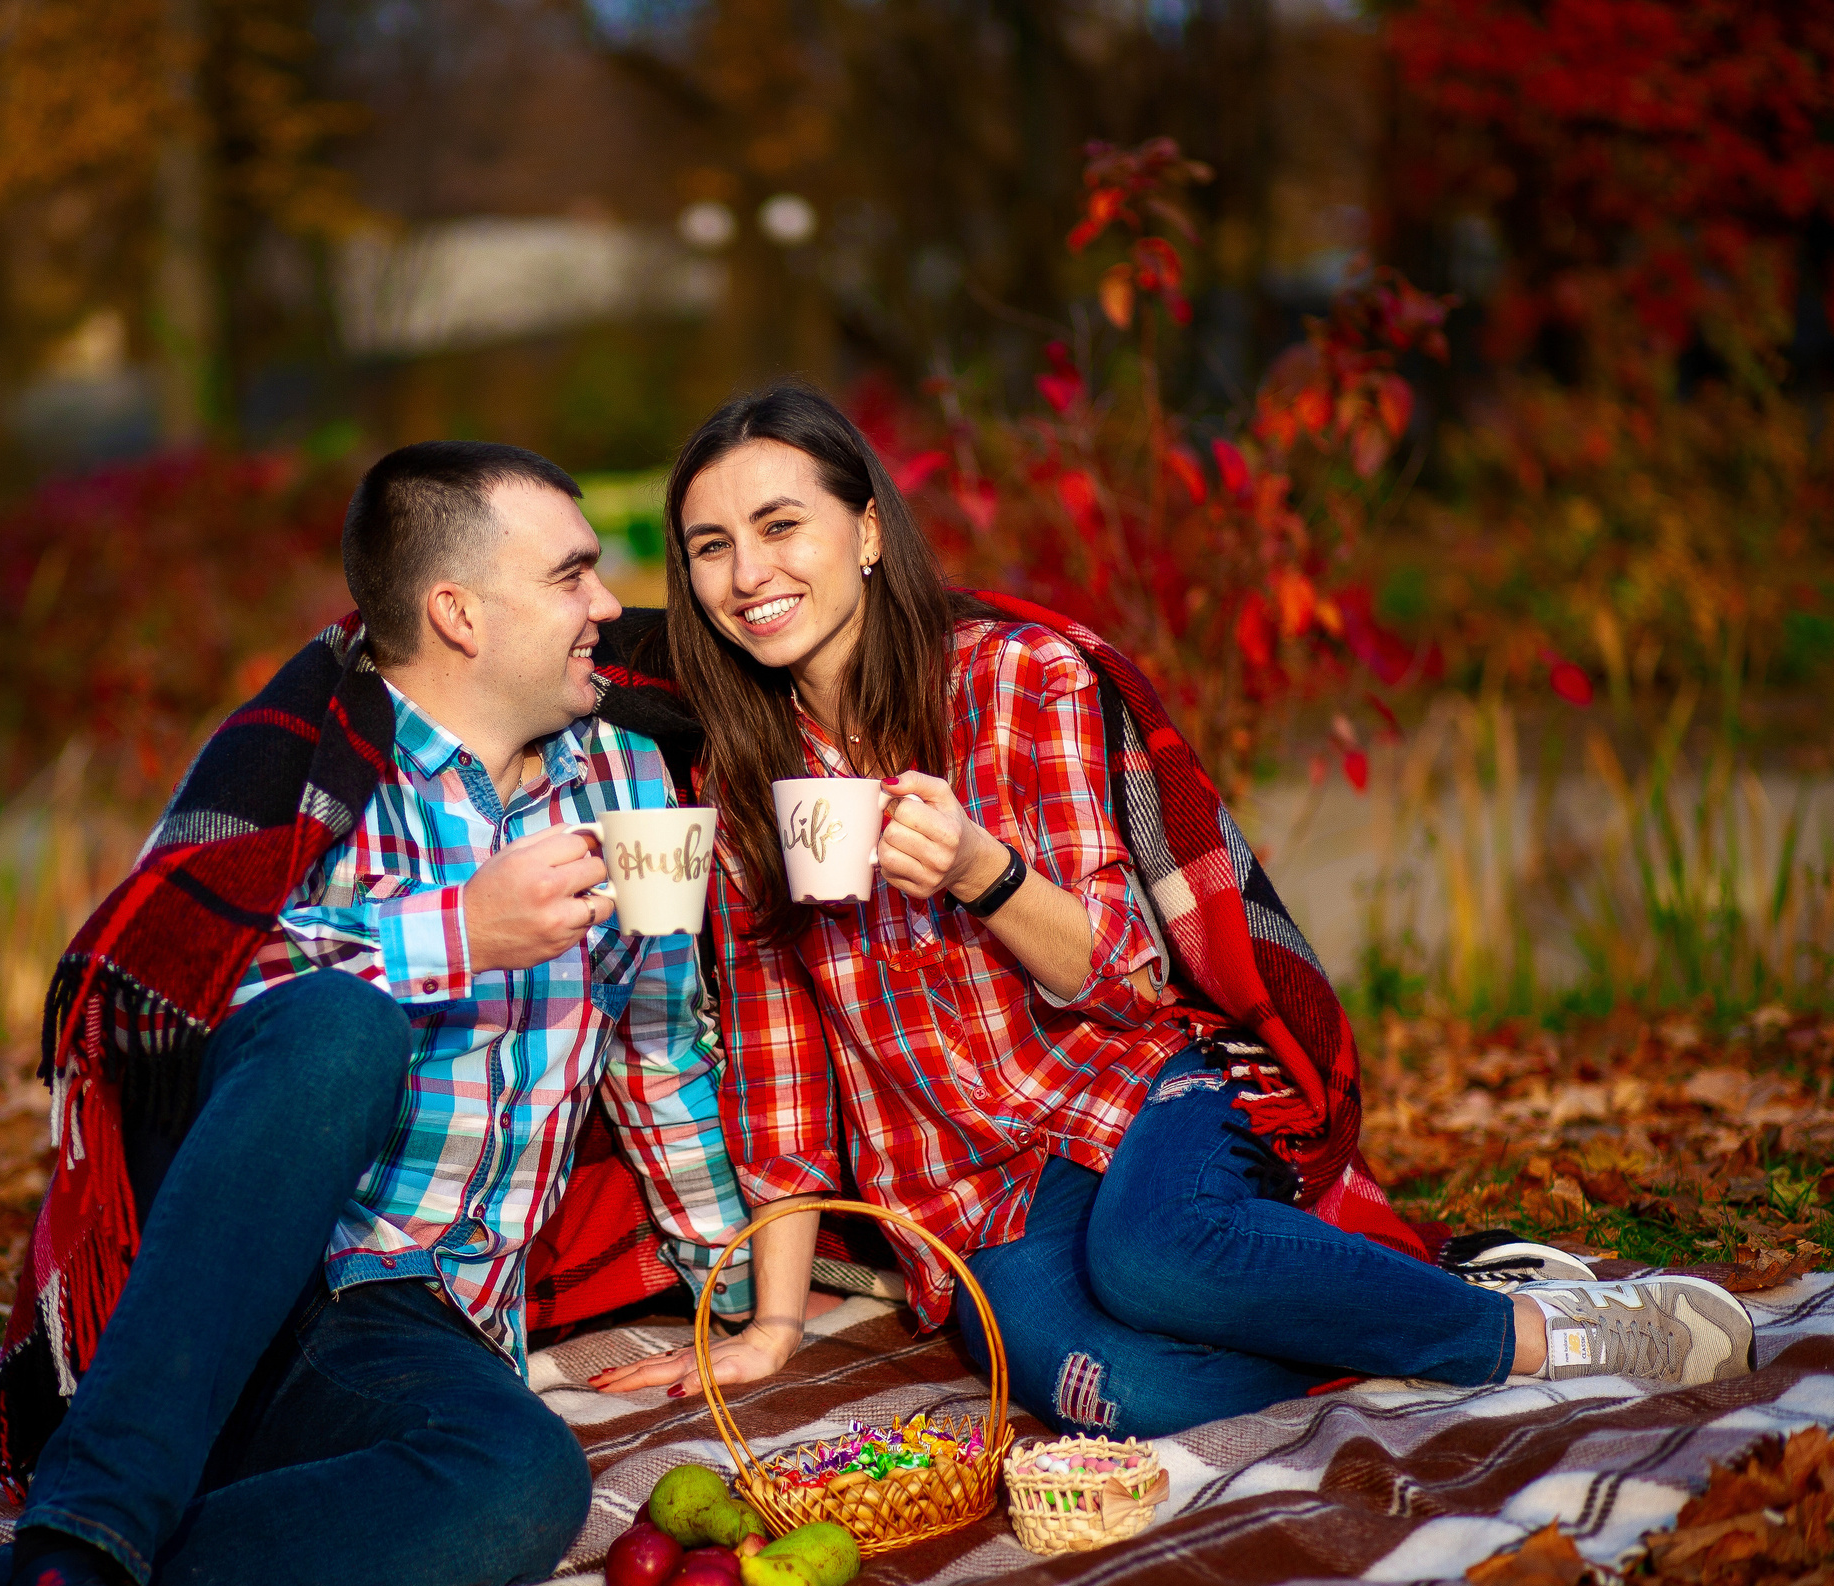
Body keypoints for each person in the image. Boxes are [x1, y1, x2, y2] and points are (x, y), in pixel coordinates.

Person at [0, 443, 752, 1586]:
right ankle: (86, 1521)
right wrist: (462, 930)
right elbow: (182, 1000)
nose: (610, 606)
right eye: (574, 575)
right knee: (341, 1023)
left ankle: (16, 1585)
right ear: (458, 613)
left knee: (518, 1483)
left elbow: (657, 1049)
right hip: (250, 1278)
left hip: (413, 1332)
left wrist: (732, 1289)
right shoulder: (317, 774)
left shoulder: (625, 774)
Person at [592, 383, 1754, 1434]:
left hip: (1125, 1090)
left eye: (780, 526)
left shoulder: (1014, 680)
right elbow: (776, 1064)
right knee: (1128, 1390)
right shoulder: (739, 781)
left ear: (866, 532)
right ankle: (1379, 1300)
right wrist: (772, 1329)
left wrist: (978, 872)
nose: (748, 574)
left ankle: (1544, 1332)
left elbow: (1122, 974)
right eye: (710, 547)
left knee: (1156, 1256)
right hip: (959, 1186)